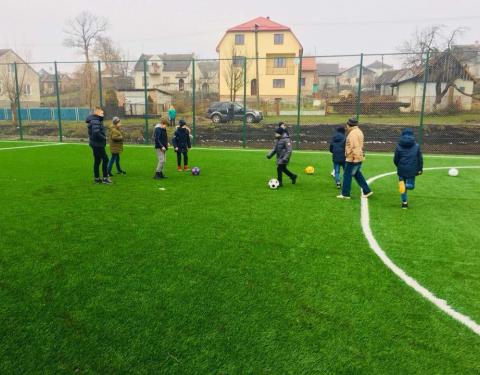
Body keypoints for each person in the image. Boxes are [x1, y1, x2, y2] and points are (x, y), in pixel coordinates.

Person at [337, 117, 372, 199]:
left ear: (349, 125)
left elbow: (355, 147)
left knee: (347, 175)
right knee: (357, 174)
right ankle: (367, 190)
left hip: (352, 158)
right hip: (357, 157)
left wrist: (355, 159)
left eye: (347, 125)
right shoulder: (359, 131)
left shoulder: (353, 134)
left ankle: (345, 194)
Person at [394, 128, 423, 209]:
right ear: (412, 135)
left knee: (402, 188)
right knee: (411, 186)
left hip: (401, 169)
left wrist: (399, 166)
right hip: (412, 169)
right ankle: (406, 188)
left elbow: (396, 159)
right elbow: (420, 158)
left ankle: (404, 203)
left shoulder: (399, 145)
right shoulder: (416, 146)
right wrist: (420, 168)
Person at [86, 107, 111, 184]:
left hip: (95, 144)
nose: (103, 115)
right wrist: (104, 138)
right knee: (105, 159)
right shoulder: (95, 120)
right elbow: (96, 132)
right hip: (98, 144)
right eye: (102, 113)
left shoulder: (95, 120)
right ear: (97, 113)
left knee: (97, 160)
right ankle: (105, 178)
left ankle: (97, 179)